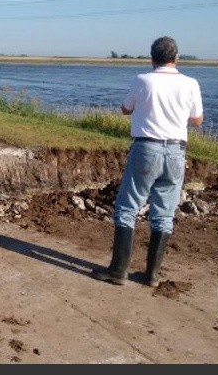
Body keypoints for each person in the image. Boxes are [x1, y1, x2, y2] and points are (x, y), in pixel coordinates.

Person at [91, 36, 203, 286]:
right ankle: (151, 275)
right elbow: (197, 120)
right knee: (164, 214)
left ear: (152, 58)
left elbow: (125, 109)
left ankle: (118, 271)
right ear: (176, 58)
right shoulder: (191, 83)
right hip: (176, 151)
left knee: (127, 208)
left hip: (146, 147)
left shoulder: (142, 80)